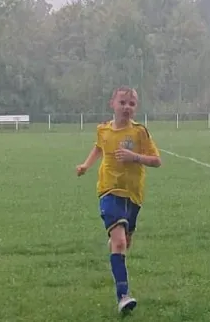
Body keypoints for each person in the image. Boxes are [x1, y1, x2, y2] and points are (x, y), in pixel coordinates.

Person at [76, 86, 161, 314]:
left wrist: (135, 157)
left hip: (133, 195)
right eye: (122, 102)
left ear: (136, 108)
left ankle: (115, 247)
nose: (127, 107)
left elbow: (156, 160)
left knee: (124, 242)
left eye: (131, 104)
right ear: (112, 104)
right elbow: (99, 148)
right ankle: (123, 295)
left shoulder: (139, 132)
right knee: (121, 242)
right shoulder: (103, 130)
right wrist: (86, 165)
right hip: (109, 191)